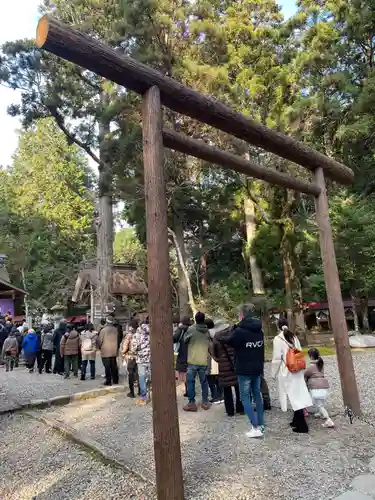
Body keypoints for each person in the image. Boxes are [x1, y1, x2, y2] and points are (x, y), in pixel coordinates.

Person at [220, 304, 265, 438]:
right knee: (257, 395)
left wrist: (230, 330)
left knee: (245, 397)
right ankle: (261, 424)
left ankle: (255, 426)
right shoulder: (259, 330)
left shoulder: (240, 332)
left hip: (244, 370)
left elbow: (228, 340)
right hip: (257, 368)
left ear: (242, 315)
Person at [272, 318, 312, 434]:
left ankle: (302, 426)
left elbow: (276, 358)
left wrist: (273, 373)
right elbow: (299, 351)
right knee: (297, 394)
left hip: (287, 370)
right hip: (297, 369)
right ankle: (296, 420)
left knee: (293, 397)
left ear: (278, 326)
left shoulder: (278, 339)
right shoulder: (293, 336)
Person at [211, 324, 244, 417]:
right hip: (235, 365)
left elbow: (214, 354)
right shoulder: (234, 335)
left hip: (223, 367)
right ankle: (240, 408)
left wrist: (220, 360)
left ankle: (230, 411)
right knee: (238, 389)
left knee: (227, 390)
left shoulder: (216, 338)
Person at [183, 311, 210, 412]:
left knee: (190, 382)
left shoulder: (191, 329)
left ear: (195, 319)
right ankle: (205, 402)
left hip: (193, 360)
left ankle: (191, 403)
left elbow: (185, 340)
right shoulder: (207, 331)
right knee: (204, 382)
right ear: (203, 319)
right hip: (203, 360)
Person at [305, 348, 334, 428]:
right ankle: (321, 413)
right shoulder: (321, 364)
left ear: (310, 356)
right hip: (324, 385)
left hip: (316, 386)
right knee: (321, 403)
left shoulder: (311, 366)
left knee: (319, 405)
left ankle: (328, 420)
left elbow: (306, 374)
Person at [132, 317, 151, 405]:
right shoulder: (152, 333)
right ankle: (152, 394)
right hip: (151, 358)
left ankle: (144, 397)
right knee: (151, 376)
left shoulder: (137, 334)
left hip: (141, 359)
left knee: (142, 377)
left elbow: (133, 348)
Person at [98, 314, 120, 386]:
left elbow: (100, 341)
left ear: (107, 322)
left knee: (107, 367)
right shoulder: (115, 330)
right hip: (114, 350)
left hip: (105, 350)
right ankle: (115, 380)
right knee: (114, 365)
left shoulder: (103, 330)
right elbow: (118, 339)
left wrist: (99, 347)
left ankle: (108, 381)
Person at [206, 318, 223, 404]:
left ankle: (215, 396)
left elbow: (209, 347)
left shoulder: (207, 334)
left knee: (211, 379)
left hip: (211, 358)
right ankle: (221, 395)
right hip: (219, 357)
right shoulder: (218, 333)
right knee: (218, 378)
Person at [173, 316, 191, 397]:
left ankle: (187, 390)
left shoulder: (181, 329)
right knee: (190, 372)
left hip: (183, 352)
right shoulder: (193, 329)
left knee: (184, 373)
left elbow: (174, 339)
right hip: (191, 353)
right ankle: (190, 390)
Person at [122, 318, 140, 398]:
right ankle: (140, 391)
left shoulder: (129, 335)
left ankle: (132, 392)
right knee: (139, 374)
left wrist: (123, 353)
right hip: (139, 356)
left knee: (131, 374)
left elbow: (125, 347)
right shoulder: (140, 334)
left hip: (131, 356)